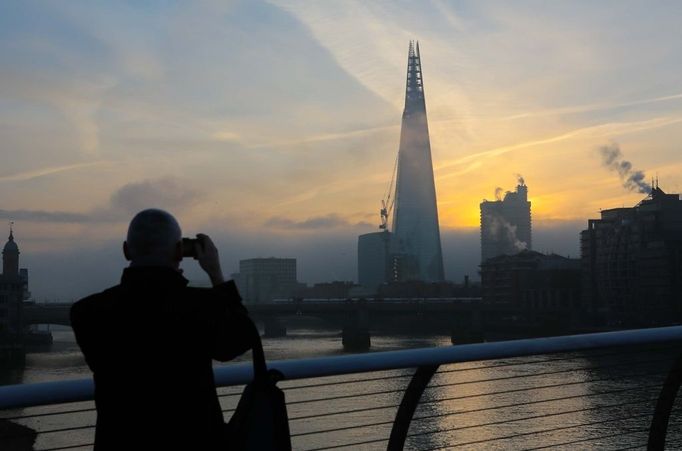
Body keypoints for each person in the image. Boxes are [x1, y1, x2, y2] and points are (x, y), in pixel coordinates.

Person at [71, 209, 255, 450]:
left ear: (126, 250)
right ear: (180, 252)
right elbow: (240, 339)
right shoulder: (201, 307)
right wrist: (215, 273)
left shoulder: (87, 312)